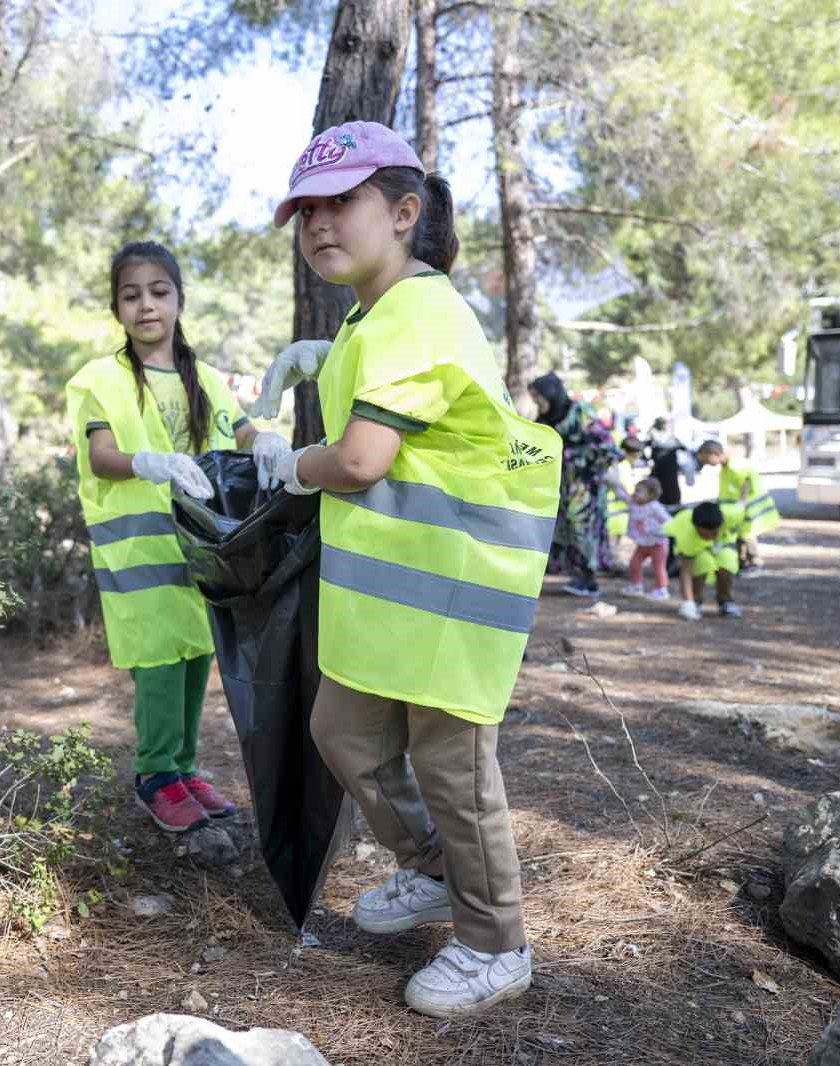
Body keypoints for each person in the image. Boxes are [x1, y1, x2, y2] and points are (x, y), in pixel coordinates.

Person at [252, 120, 562, 1017]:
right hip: (404, 589)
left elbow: (357, 460)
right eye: (305, 209)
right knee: (343, 728)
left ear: (403, 211)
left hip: (460, 578)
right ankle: (431, 868)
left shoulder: (418, 311)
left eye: (340, 202)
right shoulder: (376, 314)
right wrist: (326, 355)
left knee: (455, 765)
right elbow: (376, 385)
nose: (317, 224)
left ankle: (496, 941)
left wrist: (290, 460)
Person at [66, 241, 291, 834]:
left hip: (200, 549)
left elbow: (239, 432)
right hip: (141, 553)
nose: (147, 306)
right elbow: (102, 454)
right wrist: (150, 463)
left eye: (159, 292)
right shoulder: (102, 380)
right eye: (131, 295)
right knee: (160, 664)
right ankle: (155, 774)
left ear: (179, 300)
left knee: (194, 657)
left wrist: (265, 438)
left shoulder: (208, 379)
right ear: (116, 308)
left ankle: (184, 768)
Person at [530, 372, 625, 597]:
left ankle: (588, 577)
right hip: (561, 485)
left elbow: (606, 445)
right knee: (565, 528)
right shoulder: (546, 417)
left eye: (537, 395)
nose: (535, 401)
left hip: (584, 484)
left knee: (582, 526)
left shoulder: (580, 412)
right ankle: (577, 575)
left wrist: (572, 454)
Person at [695, 440, 780, 572]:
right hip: (737, 509)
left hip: (747, 508)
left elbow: (745, 485)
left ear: (715, 454)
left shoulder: (735, 466)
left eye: (706, 460)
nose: (706, 464)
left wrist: (741, 504)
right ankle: (743, 563)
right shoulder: (726, 466)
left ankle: (755, 563)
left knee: (746, 535)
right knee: (740, 535)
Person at [663, 500, 746, 620]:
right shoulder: (686, 533)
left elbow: (742, 504)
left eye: (714, 533)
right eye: (704, 535)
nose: (709, 537)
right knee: (701, 564)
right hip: (696, 547)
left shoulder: (732, 514)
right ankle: (695, 602)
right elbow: (686, 571)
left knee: (727, 563)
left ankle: (726, 601)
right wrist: (688, 602)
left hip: (723, 544)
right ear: (696, 528)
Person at [620, 478, 673, 600]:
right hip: (643, 544)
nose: (635, 493)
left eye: (639, 491)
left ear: (651, 494)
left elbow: (668, 521)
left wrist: (661, 531)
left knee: (658, 567)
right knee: (634, 563)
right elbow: (622, 495)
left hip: (658, 544)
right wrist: (614, 482)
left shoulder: (655, 507)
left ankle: (662, 589)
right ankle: (636, 586)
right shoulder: (634, 503)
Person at [646, 417, 696, 508]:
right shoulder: (653, 435)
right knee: (660, 489)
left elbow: (683, 448)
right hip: (660, 469)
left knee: (670, 489)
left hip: (669, 469)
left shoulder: (670, 437)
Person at [606, 436, 643, 552]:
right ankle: (611, 559)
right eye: (636, 455)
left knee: (616, 538)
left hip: (621, 508)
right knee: (612, 538)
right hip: (615, 508)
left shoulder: (622, 465)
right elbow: (621, 487)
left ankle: (612, 557)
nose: (637, 458)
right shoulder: (621, 466)